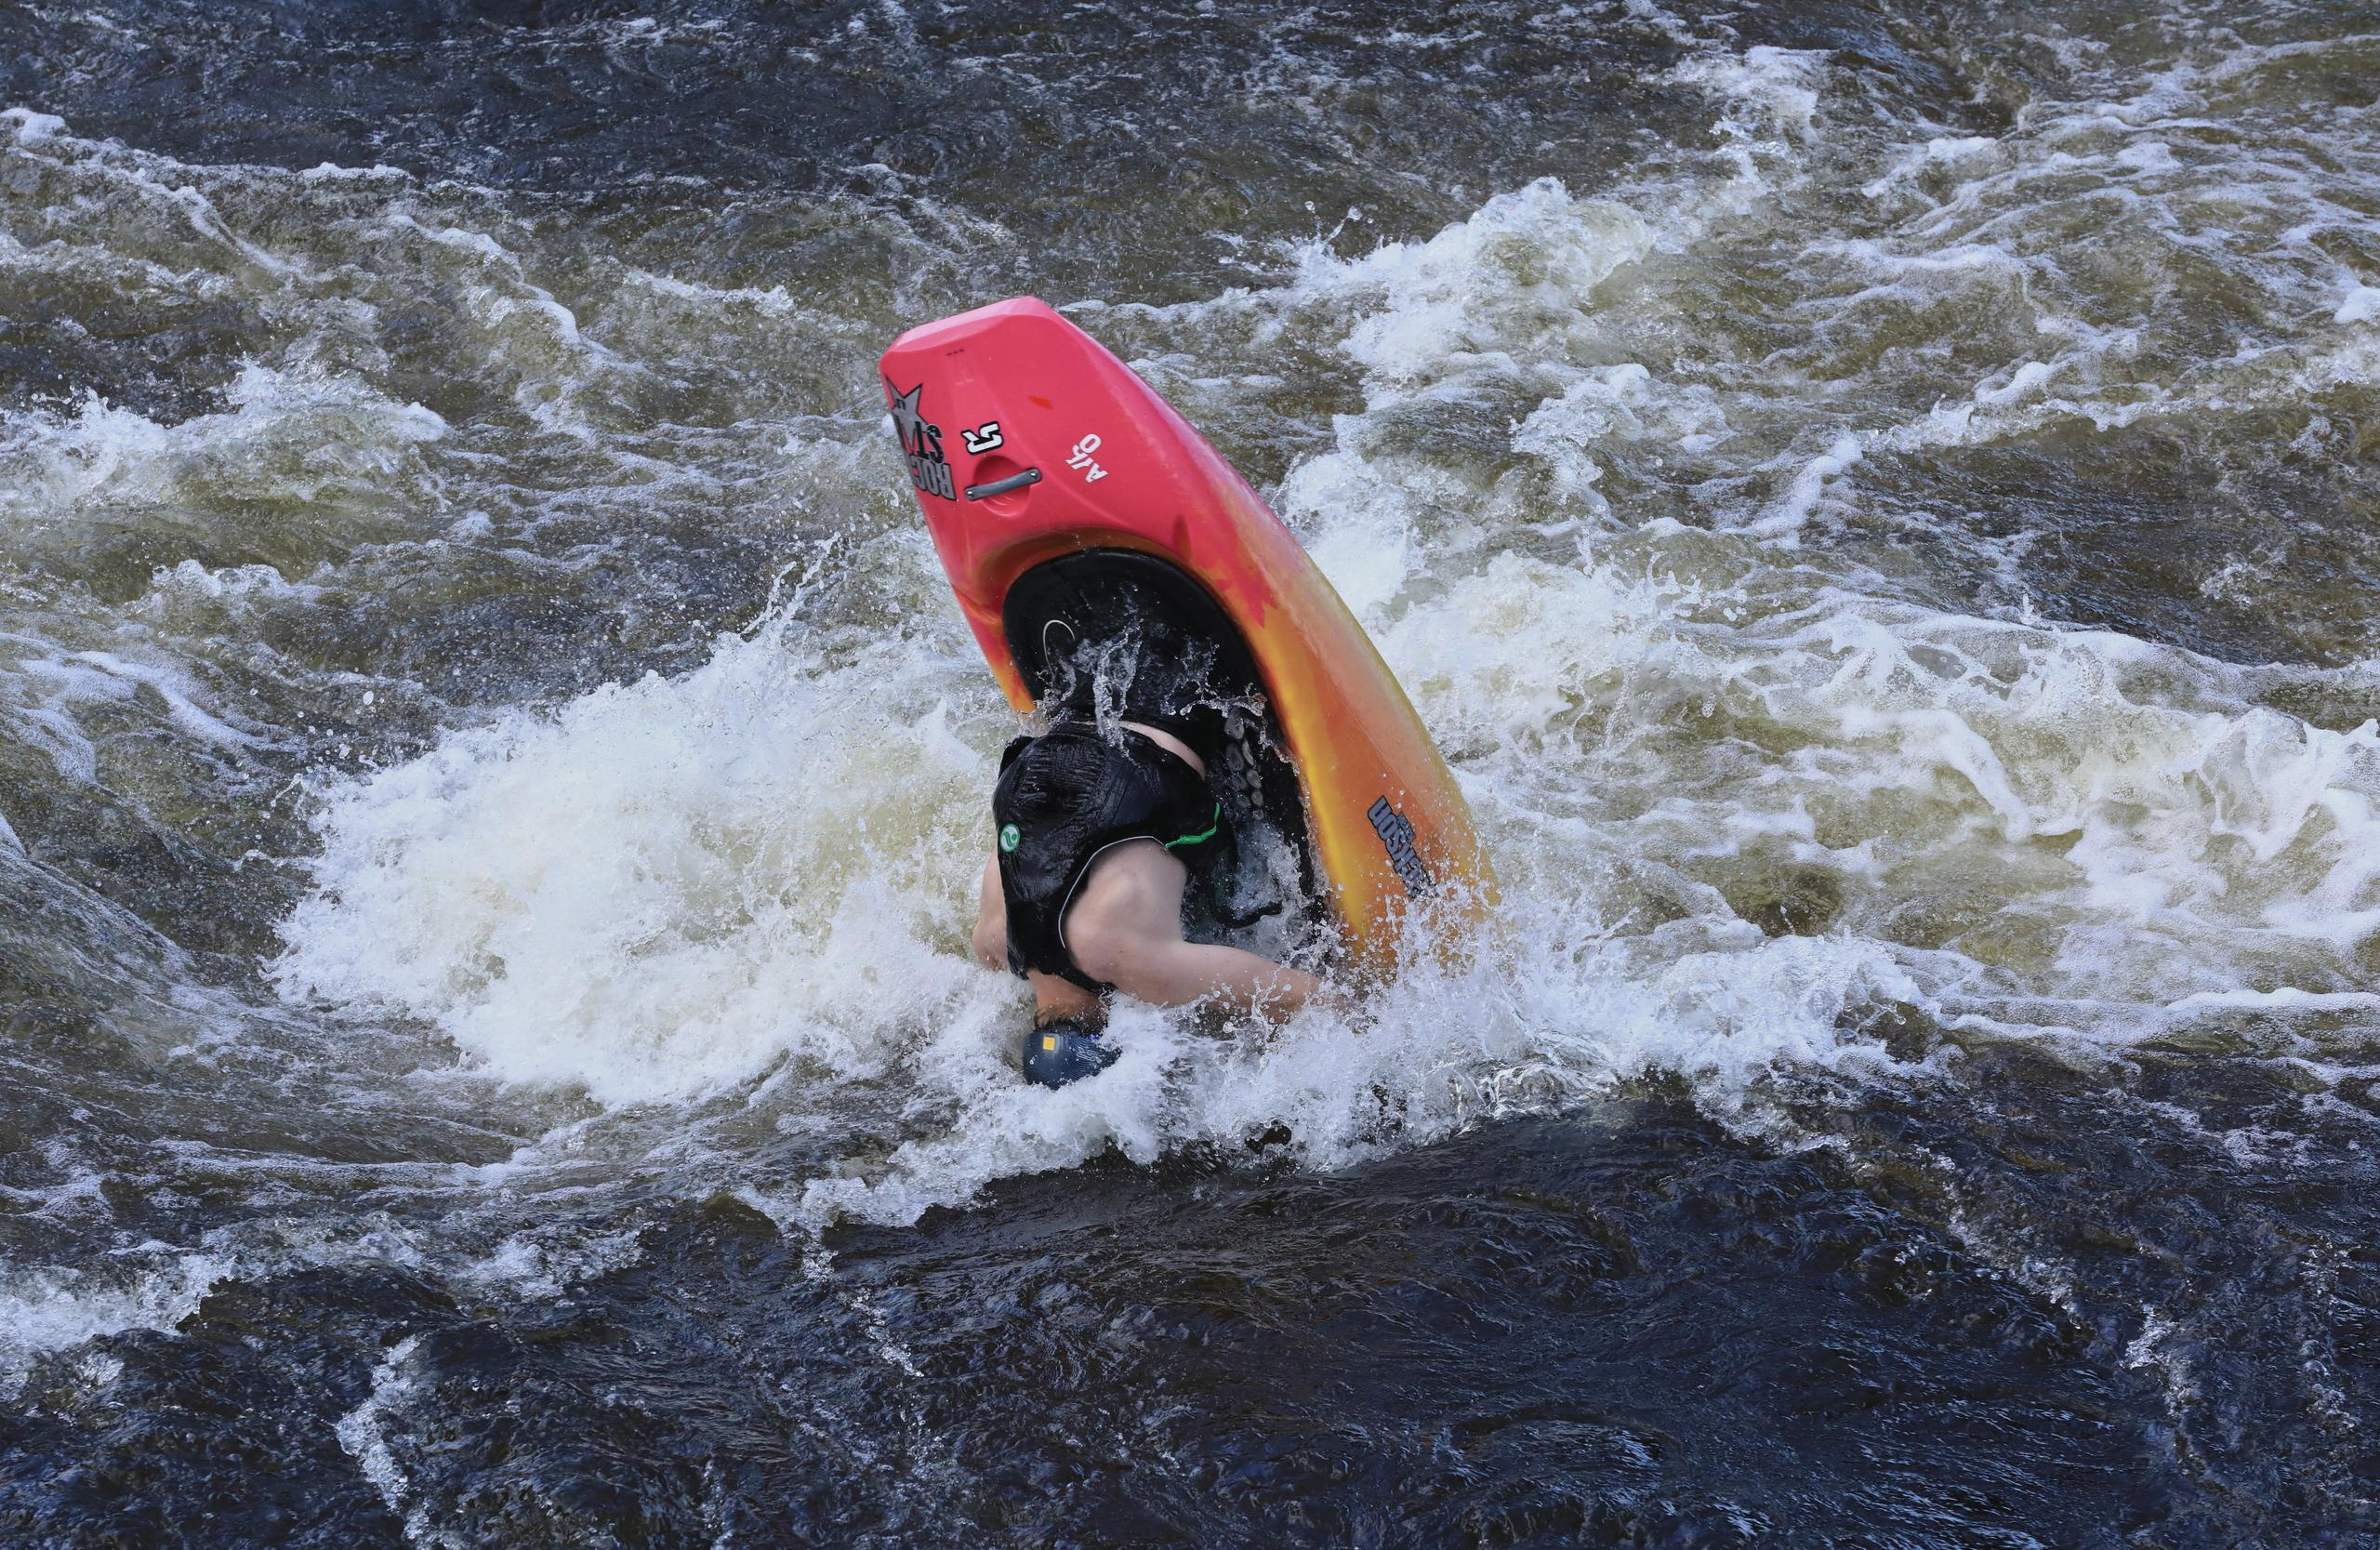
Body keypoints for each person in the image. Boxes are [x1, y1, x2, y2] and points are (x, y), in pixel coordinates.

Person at [972, 715, 1321, 1086]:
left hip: (1171, 721)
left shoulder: (1139, 967)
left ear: (1113, 1038)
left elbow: (1314, 1002)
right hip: (1063, 726)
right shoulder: (992, 945)